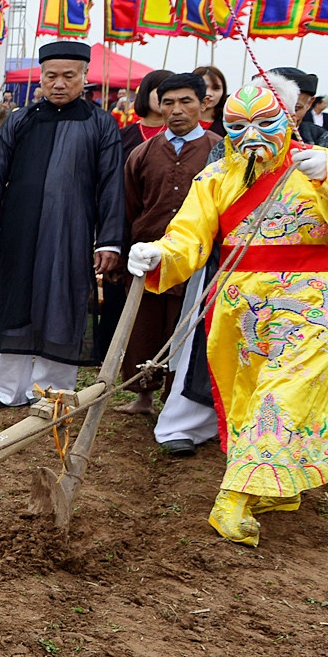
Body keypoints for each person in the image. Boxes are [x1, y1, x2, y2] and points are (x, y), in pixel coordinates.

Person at [127, 81, 328, 546]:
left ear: (289, 119)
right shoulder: (215, 177)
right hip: (237, 306)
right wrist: (156, 254)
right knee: (249, 399)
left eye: (265, 123)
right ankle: (276, 485)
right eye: (237, 126)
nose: (252, 135)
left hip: (308, 302)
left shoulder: (325, 163)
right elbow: (188, 238)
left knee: (283, 396)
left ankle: (234, 495)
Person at [0, 41, 127, 408]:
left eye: (68, 76)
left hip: (70, 230)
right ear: (41, 76)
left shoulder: (100, 123)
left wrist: (109, 241)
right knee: (14, 299)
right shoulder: (21, 120)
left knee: (63, 300)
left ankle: (51, 391)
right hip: (18, 228)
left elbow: (111, 186)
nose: (59, 84)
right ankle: (7, 390)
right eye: (51, 76)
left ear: (84, 77)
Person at [114, 72, 211, 417]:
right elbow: (129, 206)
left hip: (196, 263)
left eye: (186, 101)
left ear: (204, 103)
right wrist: (122, 252)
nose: (177, 110)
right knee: (144, 329)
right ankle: (142, 397)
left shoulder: (218, 152)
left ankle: (179, 403)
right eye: (168, 102)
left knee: (184, 331)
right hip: (147, 257)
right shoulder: (142, 153)